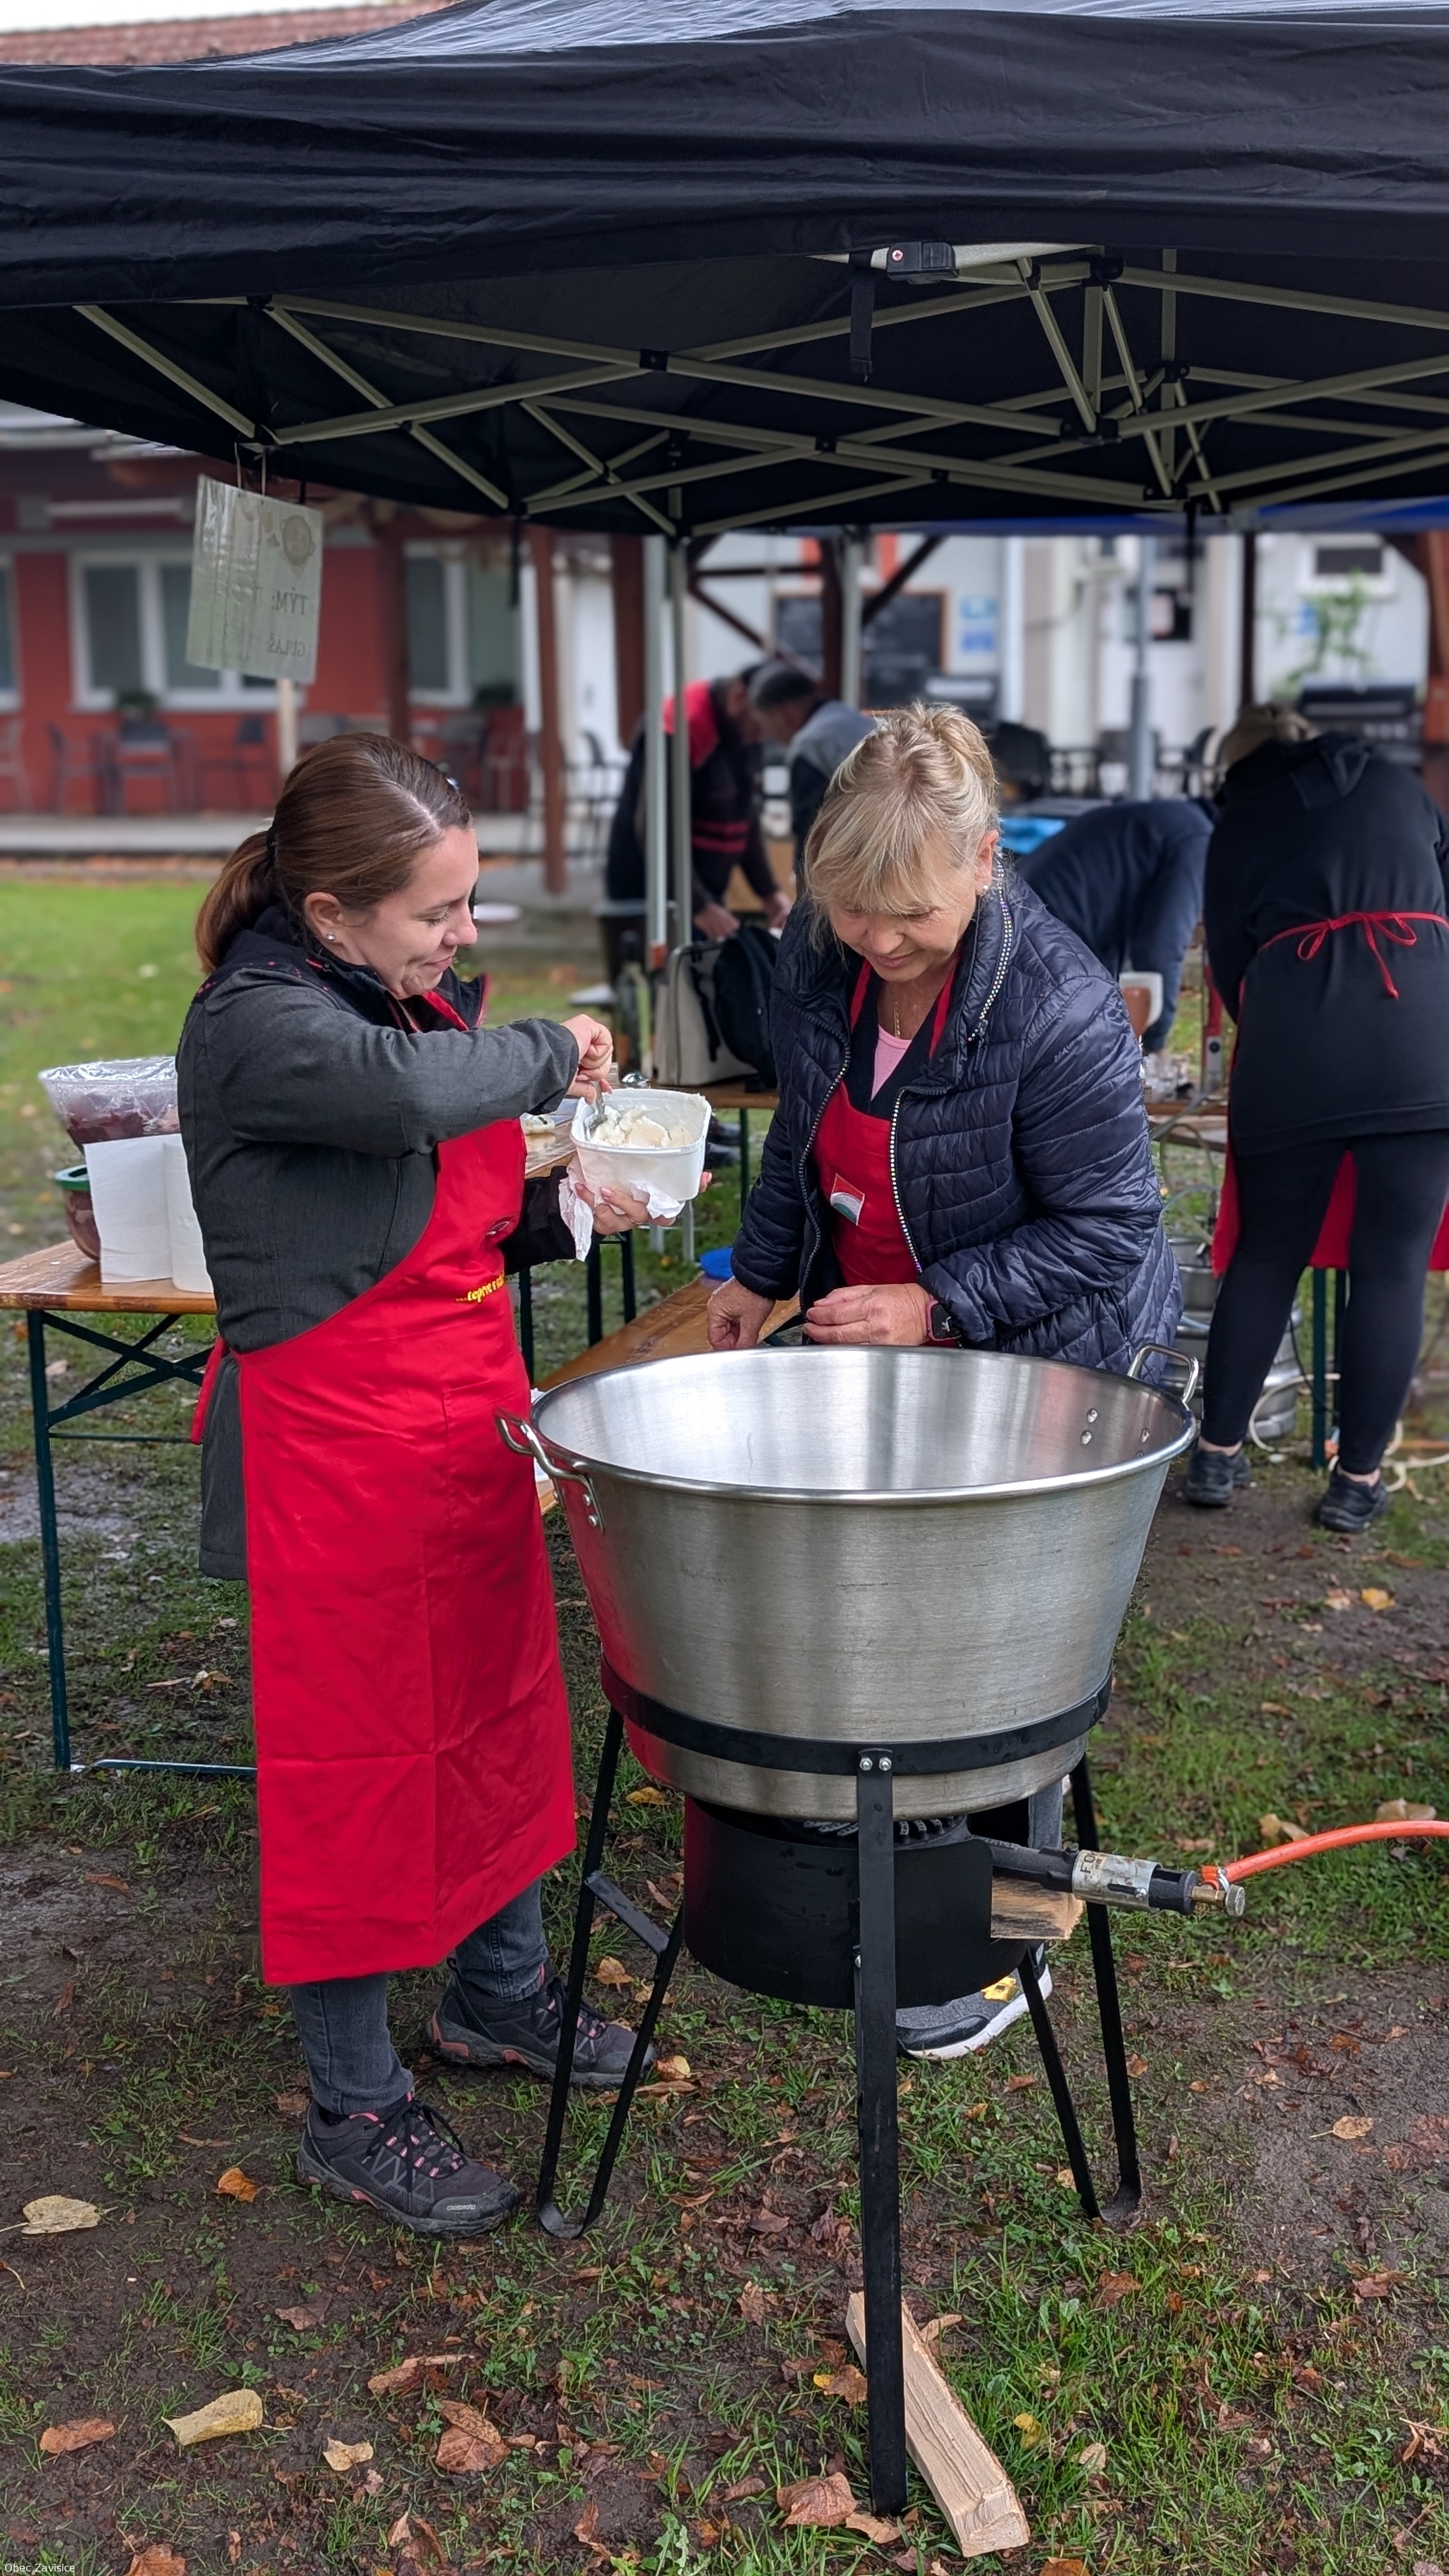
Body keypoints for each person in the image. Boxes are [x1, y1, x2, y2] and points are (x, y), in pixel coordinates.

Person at [179, 735, 651, 2239]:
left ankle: (496, 1992)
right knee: (360, 1768)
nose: (463, 934)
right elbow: (397, 1104)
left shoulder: (394, 995)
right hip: (336, 1454)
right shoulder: (261, 1023)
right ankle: (352, 2103)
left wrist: (568, 1212)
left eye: (468, 902)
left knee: (499, 1712)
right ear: (330, 911)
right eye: (437, 911)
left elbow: (421, 1210)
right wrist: (555, 1050)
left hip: (460, 1428)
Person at [705, 705, 1180, 2058]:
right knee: (891, 1623)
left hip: (1043, 1352)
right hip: (882, 1338)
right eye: (851, 906)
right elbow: (800, 1134)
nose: (878, 939)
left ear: (985, 859)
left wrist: (939, 1304)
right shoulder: (822, 955)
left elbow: (1111, 1229)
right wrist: (759, 1270)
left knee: (1006, 1661)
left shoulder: (1056, 1007)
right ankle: (884, 1848)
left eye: (908, 911)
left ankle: (1005, 1946)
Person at [1185, 705, 1449, 1529]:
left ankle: (1217, 1455)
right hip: (1421, 1041)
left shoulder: (1242, 821)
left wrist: (1280, 1024)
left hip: (1293, 1046)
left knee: (1267, 1254)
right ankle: (1355, 1481)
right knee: (1392, 1266)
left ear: (1238, 766)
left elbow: (1230, 959)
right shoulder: (1399, 785)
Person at [605, 668, 792, 939]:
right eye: (761, 722)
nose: (764, 734)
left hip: (703, 891)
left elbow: (745, 817)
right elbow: (657, 826)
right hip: (654, 893)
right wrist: (697, 905)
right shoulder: (680, 727)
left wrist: (769, 892)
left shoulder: (745, 732)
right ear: (738, 697)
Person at [1018, 795, 1213, 1055]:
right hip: (1046, 945)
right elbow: (1161, 949)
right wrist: (1153, 1046)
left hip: (1024, 923)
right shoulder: (1196, 838)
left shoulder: (1171, 820)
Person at [747, 658, 876, 871]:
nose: (768, 735)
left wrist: (802, 883)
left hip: (863, 858)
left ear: (781, 713)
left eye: (765, 723)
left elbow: (810, 833)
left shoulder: (810, 746)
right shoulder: (848, 718)